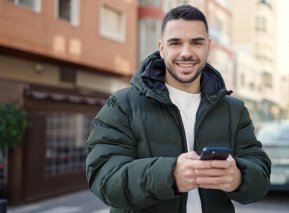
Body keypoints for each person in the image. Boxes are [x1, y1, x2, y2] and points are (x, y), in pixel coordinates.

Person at [86, 4, 271, 213]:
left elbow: (261, 175)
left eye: (196, 43)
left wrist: (239, 176)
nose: (186, 52)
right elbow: (103, 178)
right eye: (175, 43)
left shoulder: (234, 109)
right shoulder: (122, 104)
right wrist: (169, 175)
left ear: (208, 47)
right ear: (162, 48)